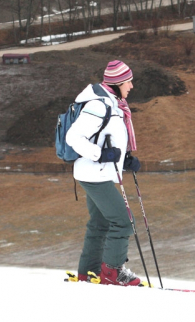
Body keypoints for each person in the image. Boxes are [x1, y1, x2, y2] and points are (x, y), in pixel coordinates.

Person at [66, 60, 142, 286]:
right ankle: (112, 272)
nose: (131, 86)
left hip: (99, 173)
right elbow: (73, 137)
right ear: (118, 82)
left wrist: (123, 159)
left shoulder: (113, 104)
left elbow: (107, 139)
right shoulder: (100, 105)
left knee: (100, 223)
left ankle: (88, 272)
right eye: (128, 81)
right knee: (123, 221)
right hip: (95, 174)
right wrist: (99, 154)